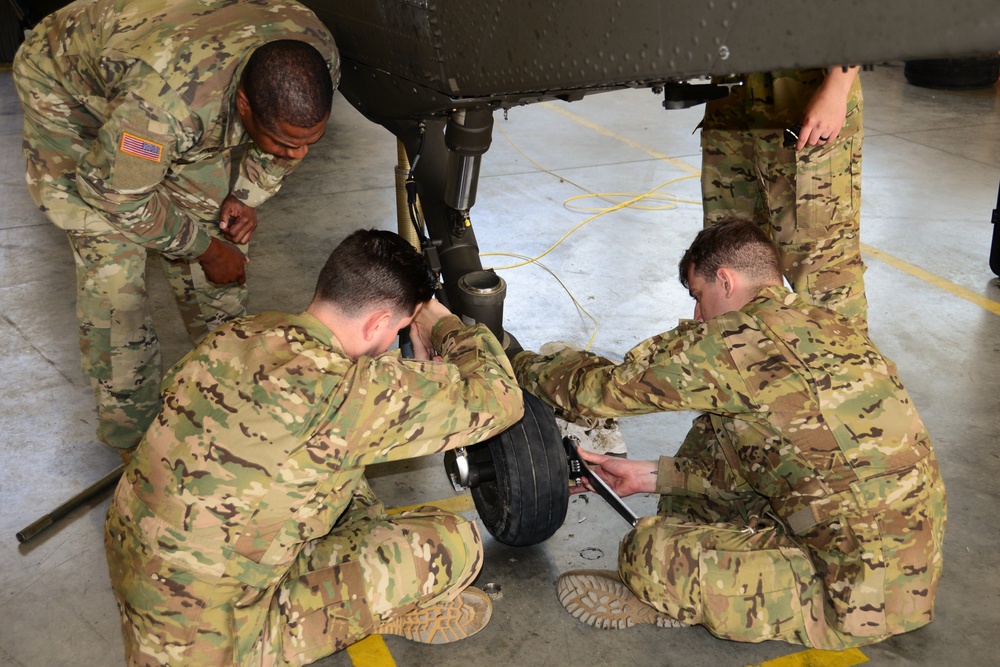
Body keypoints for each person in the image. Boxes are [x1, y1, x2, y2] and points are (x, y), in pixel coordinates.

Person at [512, 220, 946, 649]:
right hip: (905, 562)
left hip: (856, 596)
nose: (697, 314)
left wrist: (514, 363)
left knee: (647, 550)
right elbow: (772, 458)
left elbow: (596, 391)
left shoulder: (736, 341)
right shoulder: (828, 321)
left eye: (699, 296)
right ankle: (727, 570)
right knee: (718, 428)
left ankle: (684, 596)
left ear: (726, 280)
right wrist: (652, 476)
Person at [104, 229, 525, 666]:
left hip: (144, 580)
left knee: (339, 473)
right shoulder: (348, 393)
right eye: (398, 328)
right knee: (453, 542)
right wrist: (439, 324)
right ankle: (372, 607)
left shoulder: (240, 334)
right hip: (210, 644)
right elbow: (500, 398)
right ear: (379, 322)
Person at [13, 0, 339, 457]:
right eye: (285, 143)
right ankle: (135, 442)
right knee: (114, 271)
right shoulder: (158, 112)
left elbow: (282, 143)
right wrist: (205, 249)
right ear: (244, 105)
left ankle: (225, 393)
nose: (298, 155)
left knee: (219, 232)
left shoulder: (316, 56)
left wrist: (244, 195)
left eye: (311, 141)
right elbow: (118, 196)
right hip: (68, 86)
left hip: (182, 73)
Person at [700, 68, 868, 331]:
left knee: (820, 267)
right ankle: (744, 363)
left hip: (805, 99)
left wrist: (836, 86)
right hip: (733, 93)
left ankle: (845, 369)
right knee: (730, 253)